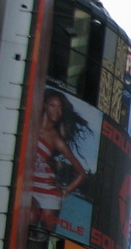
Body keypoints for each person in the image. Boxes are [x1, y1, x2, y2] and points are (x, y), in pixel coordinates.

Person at [31, 88, 91, 230]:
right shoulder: (31, 122)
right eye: (53, 106)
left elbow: (82, 173)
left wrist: (65, 190)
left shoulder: (56, 139)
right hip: (28, 184)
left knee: (47, 236)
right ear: (45, 105)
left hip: (48, 192)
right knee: (29, 220)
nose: (56, 111)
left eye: (60, 108)